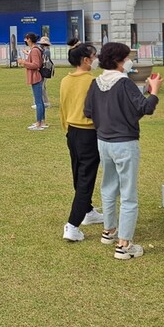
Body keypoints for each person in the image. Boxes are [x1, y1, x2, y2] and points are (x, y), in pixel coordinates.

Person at [84, 42, 162, 260]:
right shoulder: (124, 83)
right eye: (128, 58)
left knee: (108, 186)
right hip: (125, 143)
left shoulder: (96, 83)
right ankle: (124, 245)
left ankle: (109, 231)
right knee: (128, 193)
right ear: (120, 60)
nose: (130, 62)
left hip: (104, 141)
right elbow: (145, 108)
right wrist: (154, 91)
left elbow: (88, 111)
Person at [59, 43, 104, 242]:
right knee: (86, 178)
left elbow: (63, 108)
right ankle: (72, 224)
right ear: (86, 60)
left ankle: (87, 210)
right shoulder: (93, 82)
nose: (95, 60)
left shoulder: (65, 81)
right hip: (88, 133)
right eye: (94, 56)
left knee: (79, 174)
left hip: (72, 132)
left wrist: (67, 130)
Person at [17, 32, 47, 130]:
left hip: (36, 77)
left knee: (38, 101)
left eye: (25, 39)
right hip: (38, 77)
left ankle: (39, 123)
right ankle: (41, 121)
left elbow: (36, 64)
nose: (25, 41)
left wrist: (23, 62)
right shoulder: (36, 49)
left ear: (29, 39)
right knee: (40, 101)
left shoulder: (34, 50)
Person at [38, 36, 53, 108]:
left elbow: (44, 61)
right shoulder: (46, 50)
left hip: (44, 70)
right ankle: (45, 101)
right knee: (43, 86)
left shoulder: (46, 51)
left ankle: (45, 102)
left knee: (42, 86)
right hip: (45, 70)